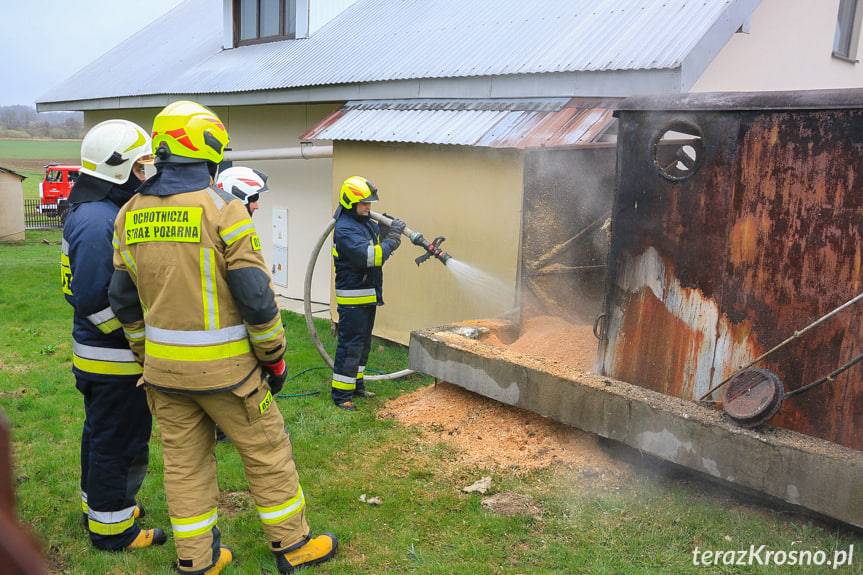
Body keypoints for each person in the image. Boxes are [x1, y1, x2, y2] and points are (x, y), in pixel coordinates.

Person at [108, 100, 337, 575]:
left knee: (184, 465)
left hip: (164, 375)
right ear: (208, 149)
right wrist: (274, 356)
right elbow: (256, 298)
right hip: (231, 376)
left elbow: (122, 298)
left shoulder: (128, 213)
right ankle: (293, 545)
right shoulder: (224, 210)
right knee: (268, 452)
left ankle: (197, 560)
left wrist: (144, 352)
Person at [61, 119, 166, 551]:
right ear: (117, 168)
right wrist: (137, 340)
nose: (145, 175)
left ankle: (101, 506)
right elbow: (95, 301)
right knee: (118, 442)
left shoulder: (93, 209)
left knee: (101, 436)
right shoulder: (98, 221)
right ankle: (113, 530)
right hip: (112, 359)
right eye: (140, 167)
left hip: (98, 357)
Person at [330, 176, 405, 410]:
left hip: (367, 294)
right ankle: (341, 395)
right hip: (353, 298)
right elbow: (370, 257)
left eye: (370, 203)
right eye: (364, 203)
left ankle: (356, 386)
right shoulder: (344, 229)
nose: (368, 207)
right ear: (350, 202)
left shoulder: (364, 223)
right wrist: (393, 239)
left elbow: (374, 243)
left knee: (362, 345)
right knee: (350, 346)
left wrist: (384, 229)